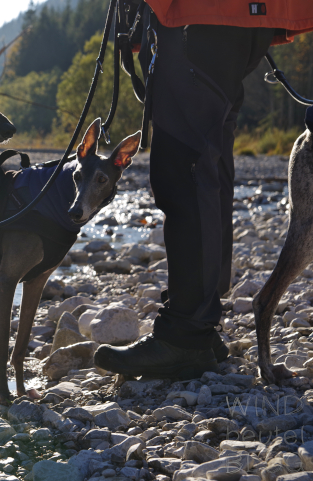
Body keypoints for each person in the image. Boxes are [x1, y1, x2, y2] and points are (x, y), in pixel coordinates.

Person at [94, 0, 313, 379]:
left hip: (198, 15)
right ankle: (202, 321)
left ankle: (186, 335)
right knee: (209, 161)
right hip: (245, 16)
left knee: (183, 166)